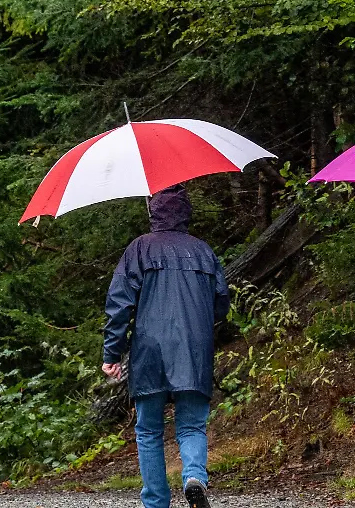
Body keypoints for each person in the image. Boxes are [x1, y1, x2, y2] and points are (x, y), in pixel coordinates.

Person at [102, 184, 230, 508]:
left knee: (148, 430)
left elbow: (119, 305)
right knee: (192, 424)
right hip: (193, 351)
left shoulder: (139, 249)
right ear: (186, 212)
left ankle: (157, 503)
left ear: (153, 211)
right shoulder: (203, 251)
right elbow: (221, 304)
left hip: (149, 352)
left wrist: (112, 353)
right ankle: (194, 477)